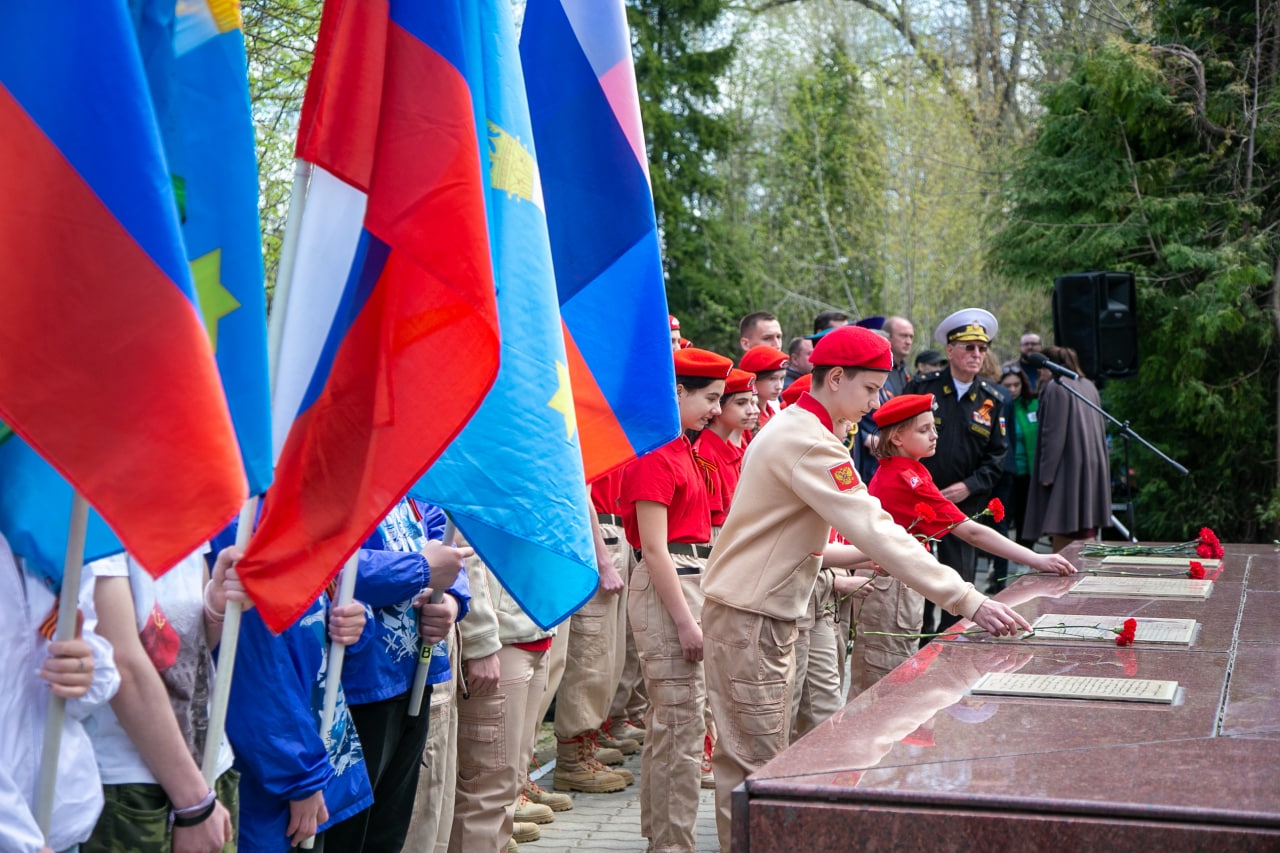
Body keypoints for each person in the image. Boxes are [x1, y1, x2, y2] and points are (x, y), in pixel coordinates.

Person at [701, 325, 1031, 853]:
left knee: (755, 761)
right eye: (870, 389)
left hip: (757, 610)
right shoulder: (807, 440)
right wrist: (969, 599)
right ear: (835, 378)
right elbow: (876, 529)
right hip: (753, 616)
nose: (877, 403)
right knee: (756, 767)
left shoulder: (801, 428)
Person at [851, 394, 1074, 694]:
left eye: (934, 427)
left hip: (896, 583)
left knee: (893, 674)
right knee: (885, 683)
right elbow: (971, 533)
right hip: (889, 586)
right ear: (898, 438)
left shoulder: (908, 469)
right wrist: (1037, 559)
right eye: (923, 430)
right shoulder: (905, 477)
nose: (935, 435)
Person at [622, 346, 731, 853]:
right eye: (709, 398)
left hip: (691, 581)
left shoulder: (684, 449)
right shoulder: (655, 456)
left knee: (677, 728)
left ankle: (665, 840)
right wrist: (687, 622)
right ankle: (671, 845)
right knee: (680, 729)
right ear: (677, 393)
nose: (716, 409)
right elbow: (654, 549)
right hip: (671, 589)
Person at [324, 499, 470, 852]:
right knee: (345, 832)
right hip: (356, 687)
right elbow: (327, 563)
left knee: (390, 830)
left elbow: (448, 548)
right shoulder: (338, 478)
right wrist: (421, 569)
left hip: (416, 678)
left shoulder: (414, 481)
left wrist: (449, 600)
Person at [81, 546, 242, 853]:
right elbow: (121, 666)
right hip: (131, 786)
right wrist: (195, 805)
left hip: (209, 768)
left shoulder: (186, 509)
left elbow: (191, 649)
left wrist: (215, 608)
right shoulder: (97, 518)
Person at [223, 547, 372, 853]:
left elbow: (323, 619)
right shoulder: (245, 531)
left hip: (317, 757)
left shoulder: (298, 530)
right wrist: (301, 777)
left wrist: (358, 621)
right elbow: (253, 671)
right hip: (274, 777)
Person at [2, 532, 118, 853]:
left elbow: (93, 679)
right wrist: (20, 842)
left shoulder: (49, 532)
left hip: (60, 822)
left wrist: (83, 672)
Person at [903, 308, 1009, 636]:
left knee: (959, 582)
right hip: (919, 502)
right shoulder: (923, 389)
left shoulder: (992, 399)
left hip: (963, 506)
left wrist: (968, 486)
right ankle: (917, 651)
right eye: (968, 347)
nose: (977, 354)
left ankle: (950, 653)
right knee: (916, 581)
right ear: (950, 351)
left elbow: (997, 457)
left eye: (982, 348)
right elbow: (901, 440)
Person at [1022, 346, 1112, 552]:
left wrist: (1046, 474)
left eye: (1042, 369)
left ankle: (1068, 578)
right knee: (1086, 528)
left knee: (1066, 529)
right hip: (1091, 468)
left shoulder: (1056, 386)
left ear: (1050, 367)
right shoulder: (1089, 385)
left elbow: (1052, 435)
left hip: (1068, 470)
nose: (1040, 374)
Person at [1001, 366, 1040, 551]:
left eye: (1016, 384)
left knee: (1027, 517)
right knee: (1005, 517)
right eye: (1007, 385)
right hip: (1006, 471)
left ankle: (1026, 556)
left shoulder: (1033, 404)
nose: (1012, 389)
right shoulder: (997, 404)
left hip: (1029, 471)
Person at [739, 345, 788, 432]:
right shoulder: (746, 417)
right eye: (772, 379)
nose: (779, 386)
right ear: (753, 379)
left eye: (782, 378)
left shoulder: (770, 411)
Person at [882, 316, 915, 397]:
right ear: (887, 337)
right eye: (903, 336)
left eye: (911, 337)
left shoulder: (907, 372)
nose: (908, 342)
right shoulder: (878, 370)